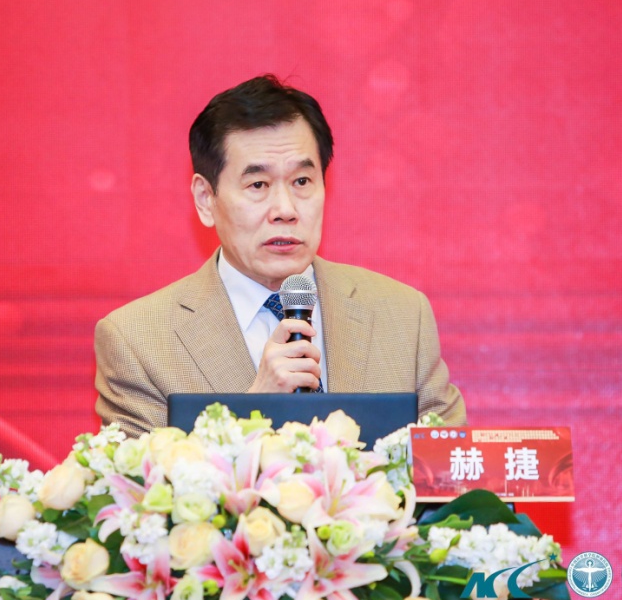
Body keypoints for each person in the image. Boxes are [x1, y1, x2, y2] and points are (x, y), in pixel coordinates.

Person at [94, 75, 466, 436]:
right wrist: (255, 411)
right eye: (258, 184)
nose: (285, 210)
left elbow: (450, 469)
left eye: (302, 181)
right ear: (206, 200)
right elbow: (141, 477)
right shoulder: (138, 343)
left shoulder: (402, 317)